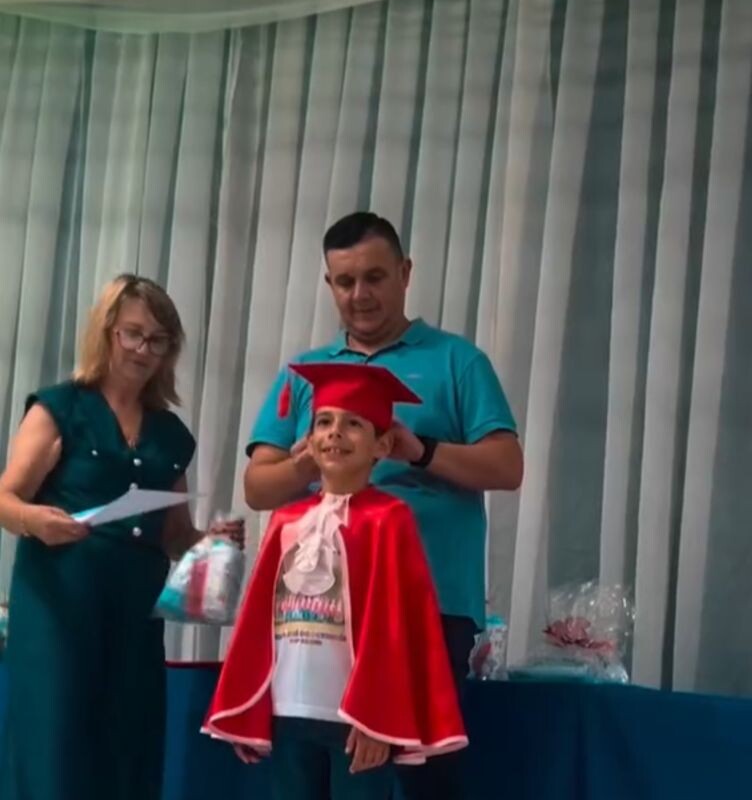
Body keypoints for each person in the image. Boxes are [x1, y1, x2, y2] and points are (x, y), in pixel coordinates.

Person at [245, 211, 523, 800]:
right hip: (320, 613)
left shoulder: (457, 361)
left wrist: (420, 451)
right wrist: (314, 458)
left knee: (422, 772)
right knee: (313, 771)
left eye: (374, 277)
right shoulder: (306, 374)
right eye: (345, 282)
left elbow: (507, 467)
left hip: (428, 604)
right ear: (329, 284)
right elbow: (258, 488)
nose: (360, 295)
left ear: (405, 273)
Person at [0, 274, 241, 800]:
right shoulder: (60, 408)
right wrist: (36, 521)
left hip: (133, 617)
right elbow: (5, 498)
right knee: (53, 747)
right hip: (58, 608)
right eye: (133, 334)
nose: (143, 350)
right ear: (107, 331)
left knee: (127, 748)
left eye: (158, 340)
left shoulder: (170, 434)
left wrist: (211, 543)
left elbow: (175, 535)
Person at [206, 362, 467, 796]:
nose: (335, 433)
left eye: (354, 424)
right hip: (288, 707)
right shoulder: (287, 520)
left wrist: (379, 717)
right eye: (324, 422)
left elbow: (395, 628)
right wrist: (250, 709)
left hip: (354, 718)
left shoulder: (389, 519)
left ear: (383, 444)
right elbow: (259, 620)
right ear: (308, 441)